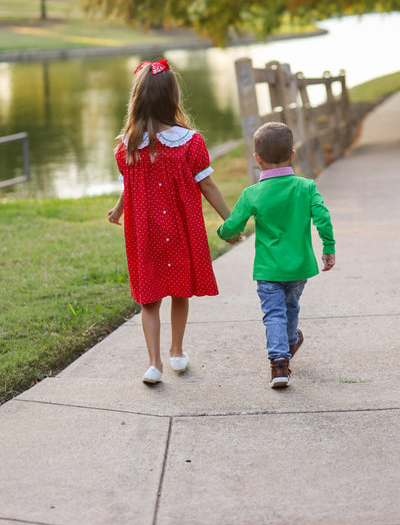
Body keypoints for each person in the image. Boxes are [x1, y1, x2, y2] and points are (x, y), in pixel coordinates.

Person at [108, 58, 236, 384]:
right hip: (179, 229)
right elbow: (207, 185)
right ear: (172, 97)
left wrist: (120, 210)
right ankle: (176, 352)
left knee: (148, 299)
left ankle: (154, 364)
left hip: (144, 233)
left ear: (137, 98)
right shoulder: (190, 142)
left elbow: (130, 184)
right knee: (179, 291)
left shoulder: (127, 147)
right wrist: (230, 220)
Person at [217, 122, 335, 388]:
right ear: (292, 155)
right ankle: (290, 341)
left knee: (273, 314)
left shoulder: (252, 193)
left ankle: (279, 364)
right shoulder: (306, 187)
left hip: (268, 269)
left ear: (257, 159)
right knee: (291, 307)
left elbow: (232, 226)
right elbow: (323, 218)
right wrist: (328, 247)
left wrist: (224, 232)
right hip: (299, 267)